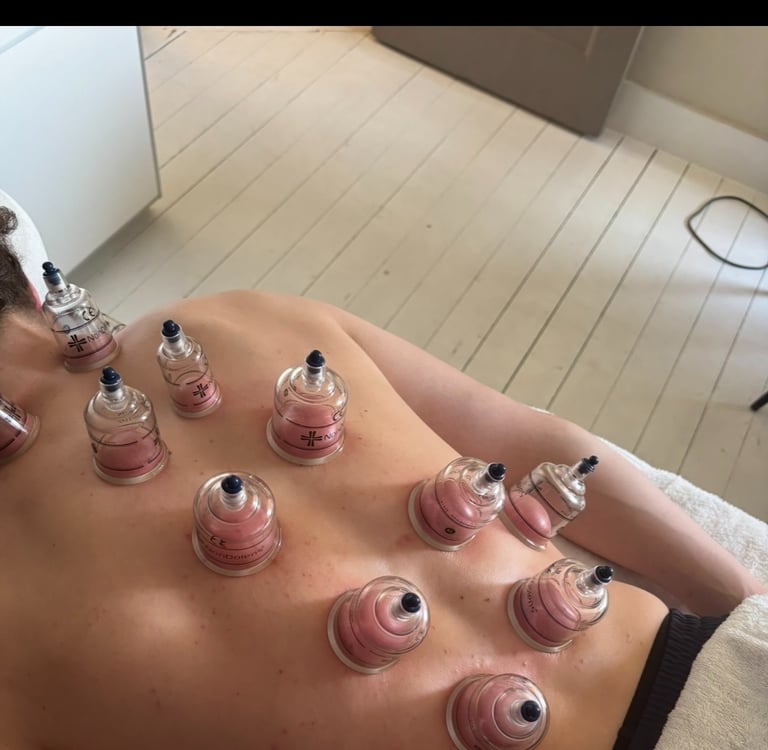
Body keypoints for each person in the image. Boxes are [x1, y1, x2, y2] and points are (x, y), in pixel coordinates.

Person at [0, 203, 765, 750]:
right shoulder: (242, 316)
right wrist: (747, 606)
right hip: (707, 668)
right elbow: (538, 443)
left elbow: (541, 457)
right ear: (32, 287)